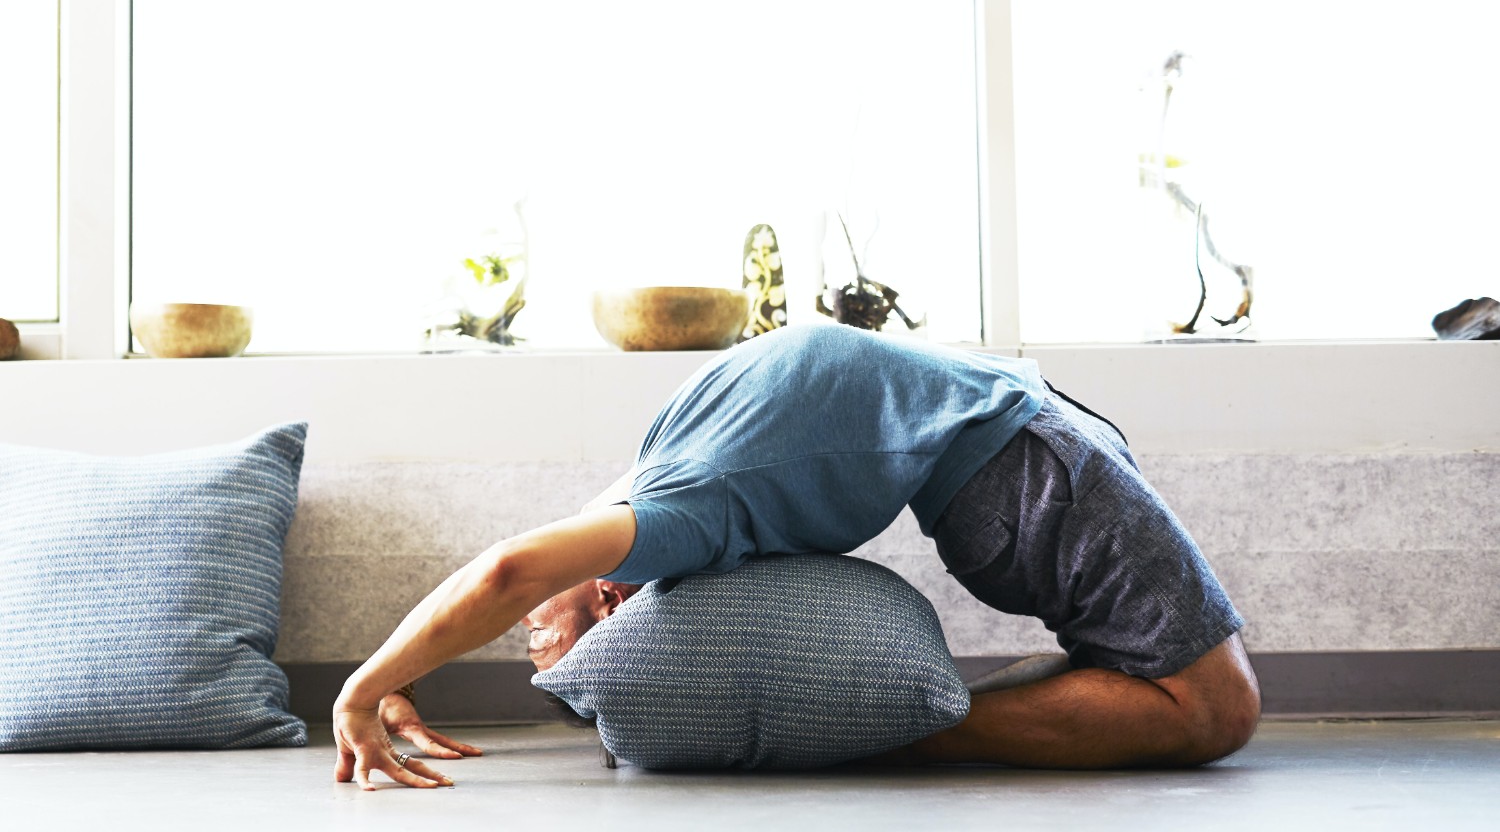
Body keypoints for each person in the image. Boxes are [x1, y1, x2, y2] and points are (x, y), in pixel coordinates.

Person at [334, 325, 1260, 789]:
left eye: (538, 639)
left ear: (610, 599)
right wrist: (399, 674)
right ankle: (911, 730)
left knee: (1203, 705)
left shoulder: (672, 504)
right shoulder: (663, 477)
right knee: (1213, 707)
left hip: (1021, 458)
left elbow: (506, 573)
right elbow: (515, 576)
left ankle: (915, 732)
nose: (528, 634)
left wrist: (364, 685)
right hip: (1018, 459)